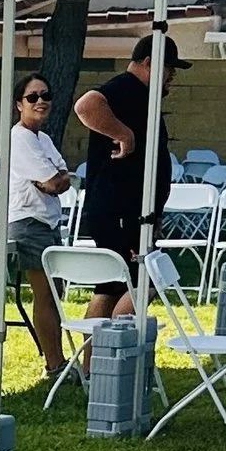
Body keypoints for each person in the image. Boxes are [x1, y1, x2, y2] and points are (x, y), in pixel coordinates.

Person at [72, 34, 188, 321]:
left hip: (126, 210)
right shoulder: (126, 87)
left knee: (110, 286)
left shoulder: (140, 96)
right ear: (149, 63)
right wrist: (123, 134)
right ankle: (114, 345)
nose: (171, 77)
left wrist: (156, 212)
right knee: (145, 282)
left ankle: (92, 365)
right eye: (169, 70)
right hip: (120, 210)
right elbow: (86, 105)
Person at [4, 71, 74, 374]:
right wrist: (53, 182)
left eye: (45, 96)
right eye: (32, 97)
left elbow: (63, 180)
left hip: (48, 222)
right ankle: (54, 364)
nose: (40, 101)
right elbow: (53, 180)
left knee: (55, 292)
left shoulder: (42, 138)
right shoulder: (19, 138)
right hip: (28, 222)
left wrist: (54, 182)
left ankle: (57, 359)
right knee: (44, 294)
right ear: (19, 104)